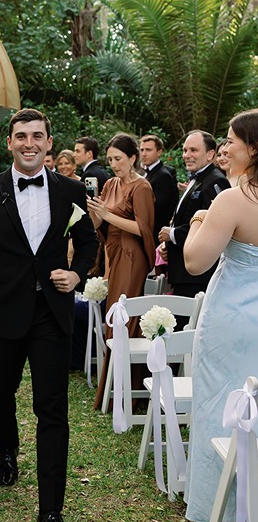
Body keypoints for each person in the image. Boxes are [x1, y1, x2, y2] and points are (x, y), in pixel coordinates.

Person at [0, 108, 98, 522]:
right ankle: (7, 450)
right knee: (1, 392)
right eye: (21, 136)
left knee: (51, 409)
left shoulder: (72, 190)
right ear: (10, 143)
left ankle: (51, 513)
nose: (30, 143)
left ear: (49, 142)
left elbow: (91, 241)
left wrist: (76, 274)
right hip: (3, 312)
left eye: (38, 136)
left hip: (51, 313)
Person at [183, 110, 258, 522]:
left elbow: (195, 262)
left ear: (254, 149)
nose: (225, 147)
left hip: (230, 319)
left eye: (231, 141)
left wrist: (197, 222)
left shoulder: (232, 200)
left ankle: (218, 511)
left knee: (219, 406)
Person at [88, 134, 155, 410]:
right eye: (110, 159)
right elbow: (99, 224)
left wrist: (107, 214)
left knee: (123, 320)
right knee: (111, 319)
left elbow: (143, 229)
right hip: (113, 254)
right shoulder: (111, 184)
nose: (114, 164)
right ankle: (113, 391)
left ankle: (127, 394)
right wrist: (92, 209)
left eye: (118, 159)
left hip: (132, 255)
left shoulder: (141, 187)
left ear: (132, 158)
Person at [157, 130, 229, 299]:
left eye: (193, 150)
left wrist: (173, 234)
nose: (186, 155)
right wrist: (170, 245)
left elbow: (213, 227)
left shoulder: (216, 180)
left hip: (197, 276)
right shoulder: (198, 179)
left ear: (210, 154)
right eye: (184, 150)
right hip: (183, 272)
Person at [139, 134, 179, 246]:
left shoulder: (163, 176)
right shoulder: (146, 173)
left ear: (159, 152)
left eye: (148, 150)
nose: (144, 153)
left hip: (155, 233)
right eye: (142, 150)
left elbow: (159, 209)